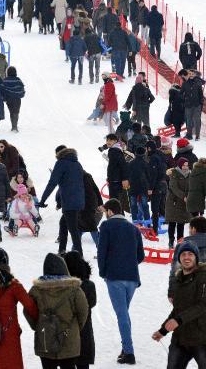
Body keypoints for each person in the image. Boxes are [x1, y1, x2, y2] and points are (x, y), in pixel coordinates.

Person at [97, 198, 145, 365]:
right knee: (124, 313)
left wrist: (103, 272)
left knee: (122, 315)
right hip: (132, 278)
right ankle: (126, 349)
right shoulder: (134, 229)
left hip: (114, 276)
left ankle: (129, 352)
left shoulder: (106, 226)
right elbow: (141, 256)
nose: (105, 215)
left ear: (110, 211)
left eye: (105, 212)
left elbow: (101, 251)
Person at [26, 253, 89, 369]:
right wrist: (75, 328)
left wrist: (39, 326)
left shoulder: (36, 290)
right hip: (69, 339)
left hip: (45, 339)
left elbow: (28, 311)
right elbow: (83, 311)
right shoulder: (74, 289)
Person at [153, 241, 206, 369]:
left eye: (190, 254)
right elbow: (177, 309)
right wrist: (163, 330)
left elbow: (203, 305)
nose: (186, 257)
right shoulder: (178, 279)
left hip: (202, 339)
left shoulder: (203, 277)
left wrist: (178, 320)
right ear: (179, 258)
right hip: (180, 339)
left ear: (196, 257)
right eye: (183, 254)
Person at [39, 146, 86, 256]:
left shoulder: (61, 163)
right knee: (64, 224)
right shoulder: (77, 164)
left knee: (73, 229)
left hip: (69, 201)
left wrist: (42, 200)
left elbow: (52, 183)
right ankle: (62, 251)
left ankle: (79, 255)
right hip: (79, 200)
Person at [63, 251, 97, 369]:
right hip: (84, 332)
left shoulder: (62, 286)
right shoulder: (89, 285)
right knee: (83, 364)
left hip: (65, 332)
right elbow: (92, 303)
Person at [166, 158, 192, 249]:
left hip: (183, 203)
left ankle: (180, 242)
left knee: (181, 223)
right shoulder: (174, 174)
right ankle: (171, 241)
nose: (185, 167)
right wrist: (184, 196)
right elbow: (174, 187)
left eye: (187, 165)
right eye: (184, 165)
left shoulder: (189, 174)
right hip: (173, 202)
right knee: (172, 223)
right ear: (180, 165)